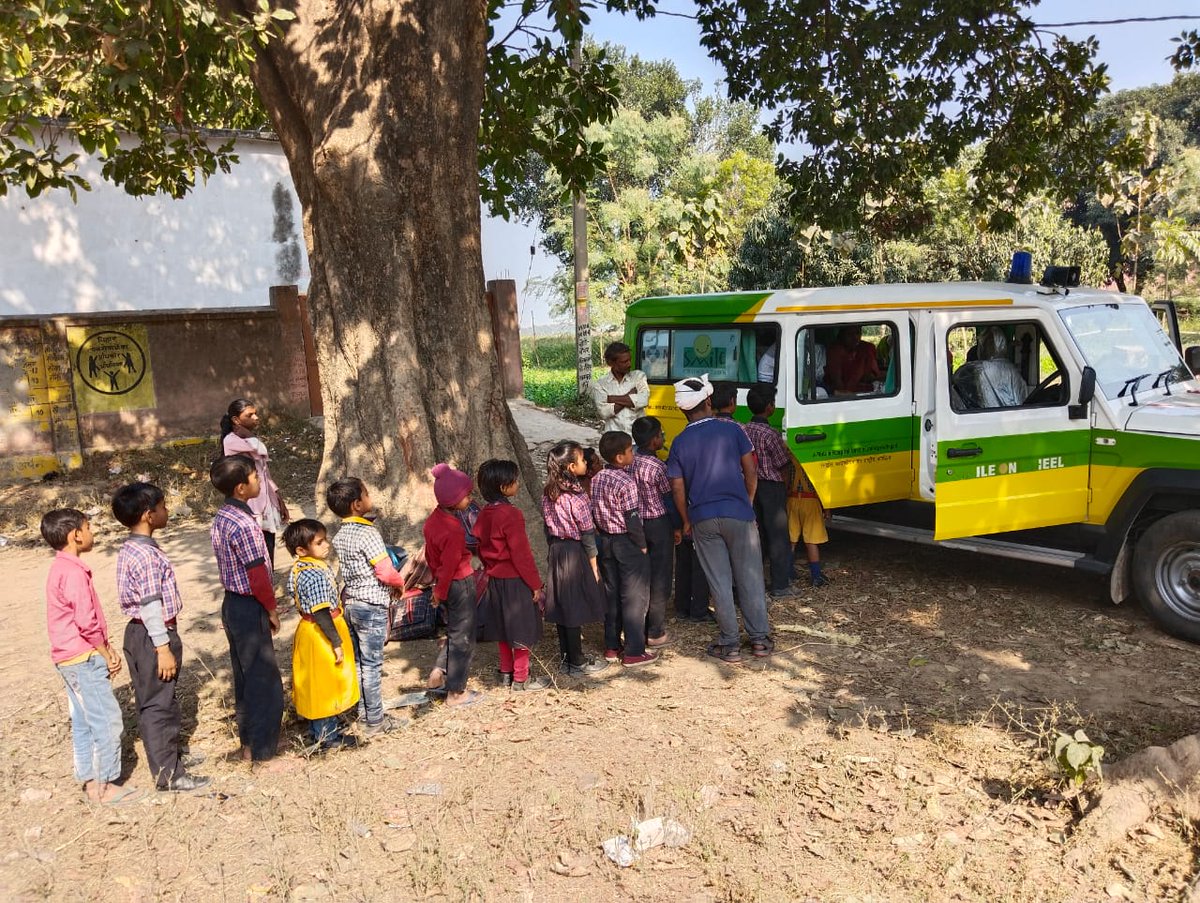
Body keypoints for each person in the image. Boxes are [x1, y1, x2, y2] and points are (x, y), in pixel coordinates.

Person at [666, 374, 774, 663]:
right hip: (738, 512)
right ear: (709, 401)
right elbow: (751, 470)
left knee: (719, 581)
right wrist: (748, 502)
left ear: (682, 409)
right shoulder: (733, 431)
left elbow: (677, 486)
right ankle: (760, 640)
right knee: (750, 576)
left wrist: (687, 519)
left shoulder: (679, 443)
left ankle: (730, 643)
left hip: (702, 517)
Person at [111, 482, 211, 792]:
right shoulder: (146, 556)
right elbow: (150, 604)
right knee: (159, 704)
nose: (167, 511)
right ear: (148, 515)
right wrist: (163, 647)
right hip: (153, 633)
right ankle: (169, 774)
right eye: (163, 507)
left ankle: (170, 757)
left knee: (156, 698)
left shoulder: (134, 546)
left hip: (143, 632)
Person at [42, 508, 144, 806]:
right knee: (107, 720)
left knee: (84, 719)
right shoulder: (73, 572)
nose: (92, 533)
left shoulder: (60, 568)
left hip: (68, 657)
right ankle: (103, 784)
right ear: (75, 535)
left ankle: (88, 777)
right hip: (84, 656)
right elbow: (86, 621)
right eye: (89, 527)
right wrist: (106, 652)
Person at [210, 455, 285, 762]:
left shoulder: (223, 516)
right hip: (249, 603)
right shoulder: (244, 524)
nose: (259, 481)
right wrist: (271, 609)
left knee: (244, 674)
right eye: (255, 477)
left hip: (232, 604)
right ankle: (264, 753)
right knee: (263, 678)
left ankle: (249, 744)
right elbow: (257, 575)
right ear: (242, 487)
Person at [327, 477, 407, 735]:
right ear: (357, 504)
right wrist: (400, 583)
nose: (370, 497)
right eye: (367, 493)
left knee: (360, 662)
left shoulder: (340, 535)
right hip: (372, 604)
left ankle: (365, 713)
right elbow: (384, 571)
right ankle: (375, 720)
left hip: (350, 603)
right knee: (372, 665)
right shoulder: (368, 533)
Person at [283, 518, 361, 749]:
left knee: (321, 681)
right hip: (321, 632)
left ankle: (325, 726)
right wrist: (335, 642)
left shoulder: (302, 567)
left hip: (312, 630)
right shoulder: (313, 574)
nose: (326, 545)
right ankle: (327, 735)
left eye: (325, 539)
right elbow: (321, 612)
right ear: (301, 549)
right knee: (323, 684)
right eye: (319, 542)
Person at [475, 460, 549, 691]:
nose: (518, 484)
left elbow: (478, 544)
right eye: (514, 480)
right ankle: (521, 677)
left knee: (504, 629)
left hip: (495, 579)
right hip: (515, 580)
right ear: (504, 487)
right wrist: (535, 585)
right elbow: (521, 555)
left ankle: (505, 672)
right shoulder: (511, 514)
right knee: (522, 629)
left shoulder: (485, 513)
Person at [540, 441, 609, 677]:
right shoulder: (576, 496)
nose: (586, 462)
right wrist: (593, 564)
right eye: (582, 460)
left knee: (562, 604)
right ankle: (577, 661)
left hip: (557, 550)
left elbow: (546, 528)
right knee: (574, 605)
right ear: (571, 466)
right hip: (575, 551)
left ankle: (567, 657)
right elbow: (588, 532)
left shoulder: (549, 492)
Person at [591, 431, 656, 667]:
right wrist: (642, 544)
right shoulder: (627, 482)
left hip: (605, 541)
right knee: (634, 596)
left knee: (612, 594)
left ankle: (611, 646)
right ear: (620, 457)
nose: (633, 454)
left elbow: (595, 511)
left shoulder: (598, 478)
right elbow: (632, 518)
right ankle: (634, 650)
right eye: (630, 450)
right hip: (626, 542)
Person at [422, 464, 484, 707]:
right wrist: (440, 590)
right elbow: (450, 565)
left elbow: (431, 557)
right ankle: (456, 692)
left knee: (454, 630)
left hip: (444, 582)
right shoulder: (454, 530)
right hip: (460, 583)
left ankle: (439, 674)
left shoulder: (432, 521)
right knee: (463, 637)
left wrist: (438, 584)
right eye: (467, 496)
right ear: (454, 499)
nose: (470, 499)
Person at [743, 385, 799, 601]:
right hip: (771, 486)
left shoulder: (744, 429)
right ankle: (780, 584)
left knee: (757, 535)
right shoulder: (771, 434)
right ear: (770, 408)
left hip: (750, 485)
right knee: (778, 536)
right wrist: (786, 487)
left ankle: (756, 581)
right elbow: (782, 464)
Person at [220, 399, 289, 568]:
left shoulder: (247, 438)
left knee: (268, 545)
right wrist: (248, 434)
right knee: (257, 550)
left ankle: (268, 583)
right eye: (249, 415)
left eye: (255, 413)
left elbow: (265, 473)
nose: (256, 417)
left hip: (265, 500)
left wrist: (279, 499)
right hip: (251, 503)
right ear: (236, 420)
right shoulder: (231, 440)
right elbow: (261, 450)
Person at [630, 416, 678, 647]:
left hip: (633, 524)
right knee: (660, 577)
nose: (663, 437)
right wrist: (678, 525)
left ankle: (635, 627)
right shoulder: (658, 467)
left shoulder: (628, 459)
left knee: (639, 576)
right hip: (658, 524)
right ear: (654, 441)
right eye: (660, 434)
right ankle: (656, 631)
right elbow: (669, 500)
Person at [951, 326, 1029, 408]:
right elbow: (1021, 401)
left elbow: (956, 380)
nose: (986, 346)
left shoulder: (979, 368)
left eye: (989, 342)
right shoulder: (1012, 370)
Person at [591, 342, 649, 434]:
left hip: (638, 438)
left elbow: (643, 400)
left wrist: (611, 398)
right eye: (624, 362)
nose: (629, 364)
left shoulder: (638, 377)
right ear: (611, 363)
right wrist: (629, 397)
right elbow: (604, 412)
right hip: (614, 440)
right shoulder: (600, 384)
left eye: (630, 360)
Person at [787, 465, 831, 588]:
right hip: (811, 501)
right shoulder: (812, 459)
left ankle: (788, 573)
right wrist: (827, 509)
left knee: (791, 540)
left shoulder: (790, 458)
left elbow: (785, 481)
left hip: (792, 500)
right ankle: (816, 576)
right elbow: (822, 485)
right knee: (811, 541)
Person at [825, 325, 882, 394]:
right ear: (842, 336)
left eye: (858, 333)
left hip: (867, 391)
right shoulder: (836, 352)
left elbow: (873, 375)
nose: (855, 337)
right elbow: (839, 384)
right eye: (850, 334)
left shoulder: (866, 348)